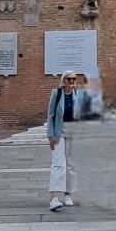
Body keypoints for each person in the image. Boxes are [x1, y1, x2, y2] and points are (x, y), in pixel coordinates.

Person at [44, 71, 85, 212]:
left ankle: (68, 194)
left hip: (74, 133)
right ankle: (54, 198)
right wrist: (50, 135)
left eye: (74, 79)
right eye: (69, 79)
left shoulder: (78, 94)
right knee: (57, 164)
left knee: (72, 165)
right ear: (64, 80)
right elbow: (50, 115)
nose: (72, 81)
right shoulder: (57, 93)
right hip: (58, 132)